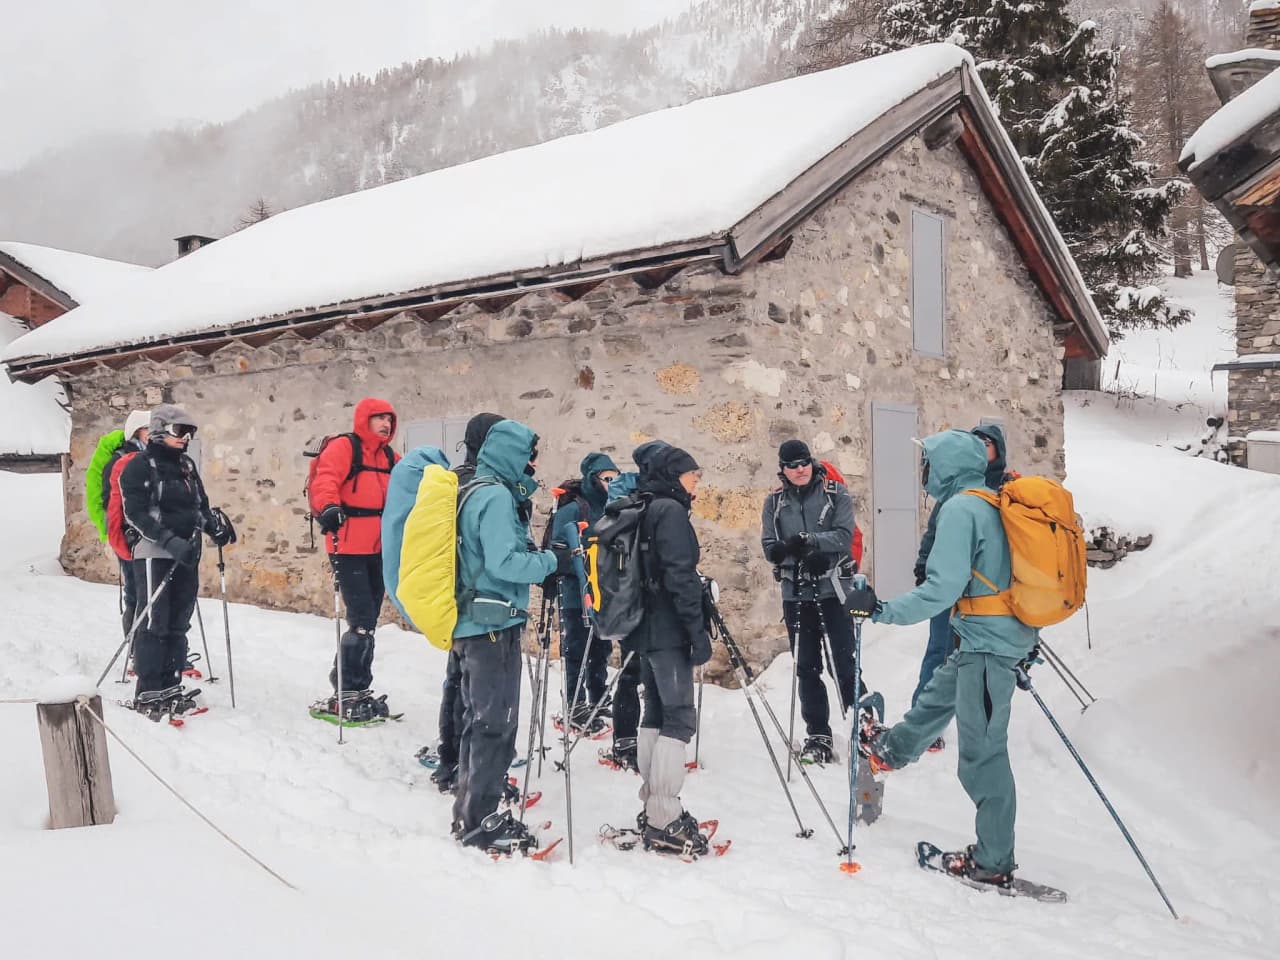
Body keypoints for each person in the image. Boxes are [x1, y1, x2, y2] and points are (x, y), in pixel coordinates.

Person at [859, 429, 1039, 888]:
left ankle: (993, 862)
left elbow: (941, 589)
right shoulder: (993, 502)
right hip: (987, 638)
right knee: (939, 695)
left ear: (947, 465)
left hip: (989, 646)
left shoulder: (961, 509)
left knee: (982, 755)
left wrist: (881, 610)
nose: (923, 471)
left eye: (927, 462)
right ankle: (891, 750)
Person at [452, 420, 572, 854]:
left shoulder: (476, 489)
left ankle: (469, 812)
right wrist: (551, 562)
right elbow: (503, 563)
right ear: (510, 454)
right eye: (528, 457)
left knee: (478, 720)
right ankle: (481, 823)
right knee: (495, 724)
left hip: (474, 620)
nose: (532, 465)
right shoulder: (496, 497)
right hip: (492, 623)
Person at [624, 444, 714, 855]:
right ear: (674, 475)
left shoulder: (644, 506)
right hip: (667, 628)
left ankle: (654, 808)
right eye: (692, 474)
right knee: (679, 718)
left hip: (643, 627)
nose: (696, 481)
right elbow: (680, 576)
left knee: (656, 714)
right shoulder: (671, 512)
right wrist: (697, 632)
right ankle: (664, 818)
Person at [119, 405, 234, 718]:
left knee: (179, 621)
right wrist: (168, 540)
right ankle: (149, 689)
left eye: (189, 433)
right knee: (154, 621)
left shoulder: (186, 466)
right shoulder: (140, 466)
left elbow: (199, 506)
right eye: (179, 431)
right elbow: (135, 513)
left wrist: (213, 527)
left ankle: (171, 684)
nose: (185, 438)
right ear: (159, 431)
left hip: (187, 552)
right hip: (154, 552)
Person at [909, 424, 1013, 753]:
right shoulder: (956, 487)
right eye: (976, 441)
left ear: (999, 449)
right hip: (950, 584)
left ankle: (980, 725)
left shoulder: (1008, 489)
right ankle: (923, 724)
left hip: (984, 593)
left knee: (981, 658)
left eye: (987, 442)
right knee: (938, 650)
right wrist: (924, 564)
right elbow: (934, 531)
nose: (981, 446)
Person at [760, 439, 863, 764]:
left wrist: (811, 542)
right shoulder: (774, 502)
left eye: (804, 462)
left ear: (811, 462)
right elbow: (770, 544)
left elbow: (844, 535)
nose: (800, 469)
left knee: (843, 662)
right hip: (796, 593)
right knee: (806, 666)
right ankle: (818, 734)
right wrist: (786, 552)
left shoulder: (835, 493)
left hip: (832, 589)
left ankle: (864, 724)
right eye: (792, 465)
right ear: (783, 469)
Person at [422, 412, 505, 793]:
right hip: (480, 600)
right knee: (476, 691)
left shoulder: (455, 480)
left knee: (457, 680)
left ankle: (450, 759)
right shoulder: (485, 486)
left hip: (453, 594)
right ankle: (468, 769)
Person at [309, 397, 400, 721]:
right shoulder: (344, 447)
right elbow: (325, 479)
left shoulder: (389, 457)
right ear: (364, 419)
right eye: (379, 418)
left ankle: (357, 688)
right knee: (361, 619)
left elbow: (410, 482)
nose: (385, 425)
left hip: (379, 548)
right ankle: (346, 689)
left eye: (389, 419)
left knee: (369, 620)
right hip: (347, 545)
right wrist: (329, 506)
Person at [596, 440, 670, 773]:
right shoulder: (632, 499)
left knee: (643, 669)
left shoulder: (634, 495)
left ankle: (642, 739)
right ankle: (629, 740)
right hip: (636, 594)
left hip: (639, 593)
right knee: (635, 669)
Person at [549, 452, 619, 733]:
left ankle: (598, 698)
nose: (611, 484)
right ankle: (575, 705)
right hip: (575, 593)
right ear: (593, 479)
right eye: (606, 479)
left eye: (615, 479)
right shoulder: (574, 509)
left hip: (604, 592)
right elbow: (556, 551)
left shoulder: (613, 508)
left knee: (601, 648)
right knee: (577, 649)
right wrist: (583, 559)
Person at [86, 409, 149, 640]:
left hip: (149, 536)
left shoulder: (153, 458)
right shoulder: (119, 460)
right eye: (148, 429)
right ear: (136, 432)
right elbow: (110, 501)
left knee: (152, 592)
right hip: (128, 537)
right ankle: (134, 646)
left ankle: (153, 647)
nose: (153, 434)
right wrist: (125, 531)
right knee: (135, 592)